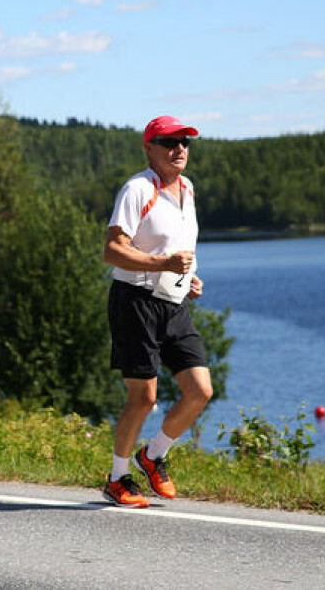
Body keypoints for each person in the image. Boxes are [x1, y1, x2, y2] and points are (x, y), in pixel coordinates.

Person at [102, 116, 214, 508]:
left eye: (185, 142)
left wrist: (190, 278)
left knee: (200, 391)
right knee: (143, 398)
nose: (179, 148)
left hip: (173, 303)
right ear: (149, 148)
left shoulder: (188, 188)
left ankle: (152, 455)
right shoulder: (138, 189)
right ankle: (117, 478)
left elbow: (180, 246)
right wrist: (163, 264)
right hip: (135, 300)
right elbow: (112, 250)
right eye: (169, 142)